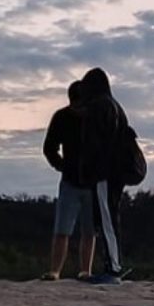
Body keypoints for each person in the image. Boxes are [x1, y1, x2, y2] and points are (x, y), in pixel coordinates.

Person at [79, 67, 131, 284]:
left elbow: (93, 144)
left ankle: (112, 268)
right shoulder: (116, 106)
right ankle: (113, 264)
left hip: (104, 172)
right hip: (116, 172)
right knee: (110, 216)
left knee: (107, 219)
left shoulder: (99, 107)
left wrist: (89, 169)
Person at [41, 80, 96, 281]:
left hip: (93, 181)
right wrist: (62, 166)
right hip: (70, 180)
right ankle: (55, 270)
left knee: (90, 230)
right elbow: (49, 148)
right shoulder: (62, 117)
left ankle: (85, 270)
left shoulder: (96, 116)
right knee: (62, 228)